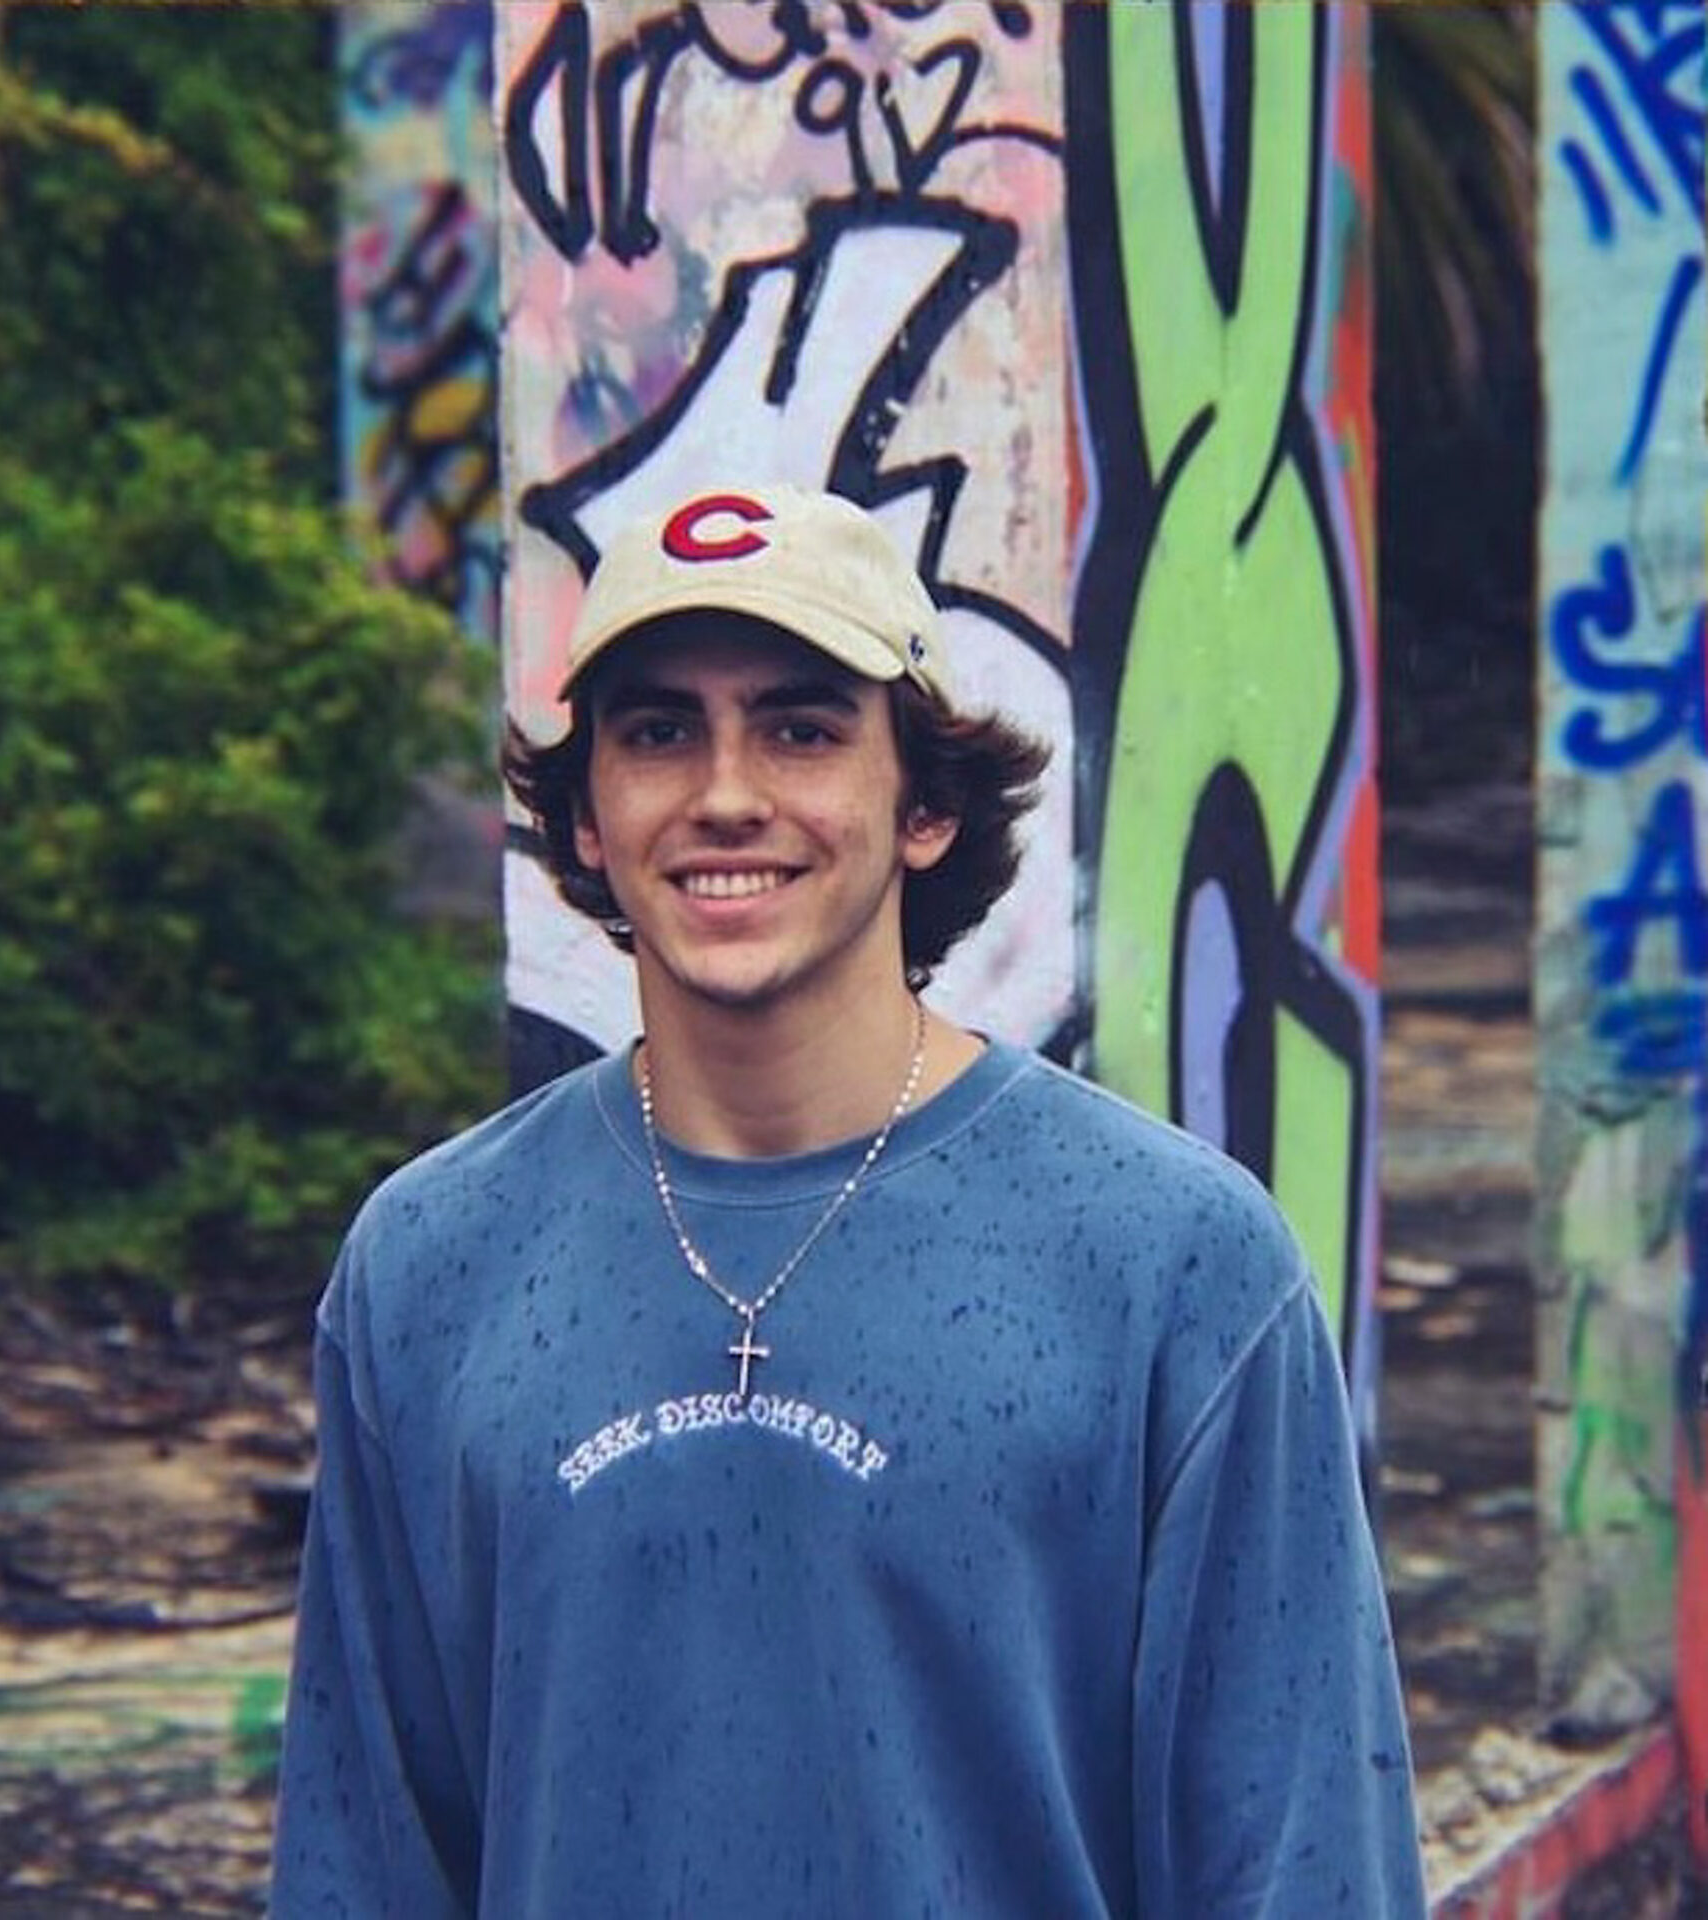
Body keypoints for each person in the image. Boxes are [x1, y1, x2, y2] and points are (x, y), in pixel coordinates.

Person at [268, 482, 1427, 1916]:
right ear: (585, 819)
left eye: (801, 729)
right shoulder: (430, 1264)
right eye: (657, 732)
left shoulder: (1175, 1262)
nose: (725, 794)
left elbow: (1305, 1863)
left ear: (924, 804)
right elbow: (363, 1863)